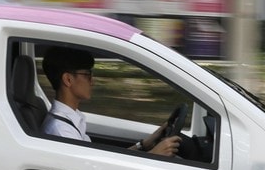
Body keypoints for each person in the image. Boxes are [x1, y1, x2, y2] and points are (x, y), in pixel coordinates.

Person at [41, 46, 181, 156]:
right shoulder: (62, 131)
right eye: (87, 75)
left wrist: (144, 145)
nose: (92, 82)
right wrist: (154, 155)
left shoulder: (71, 120)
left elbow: (101, 164)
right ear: (68, 79)